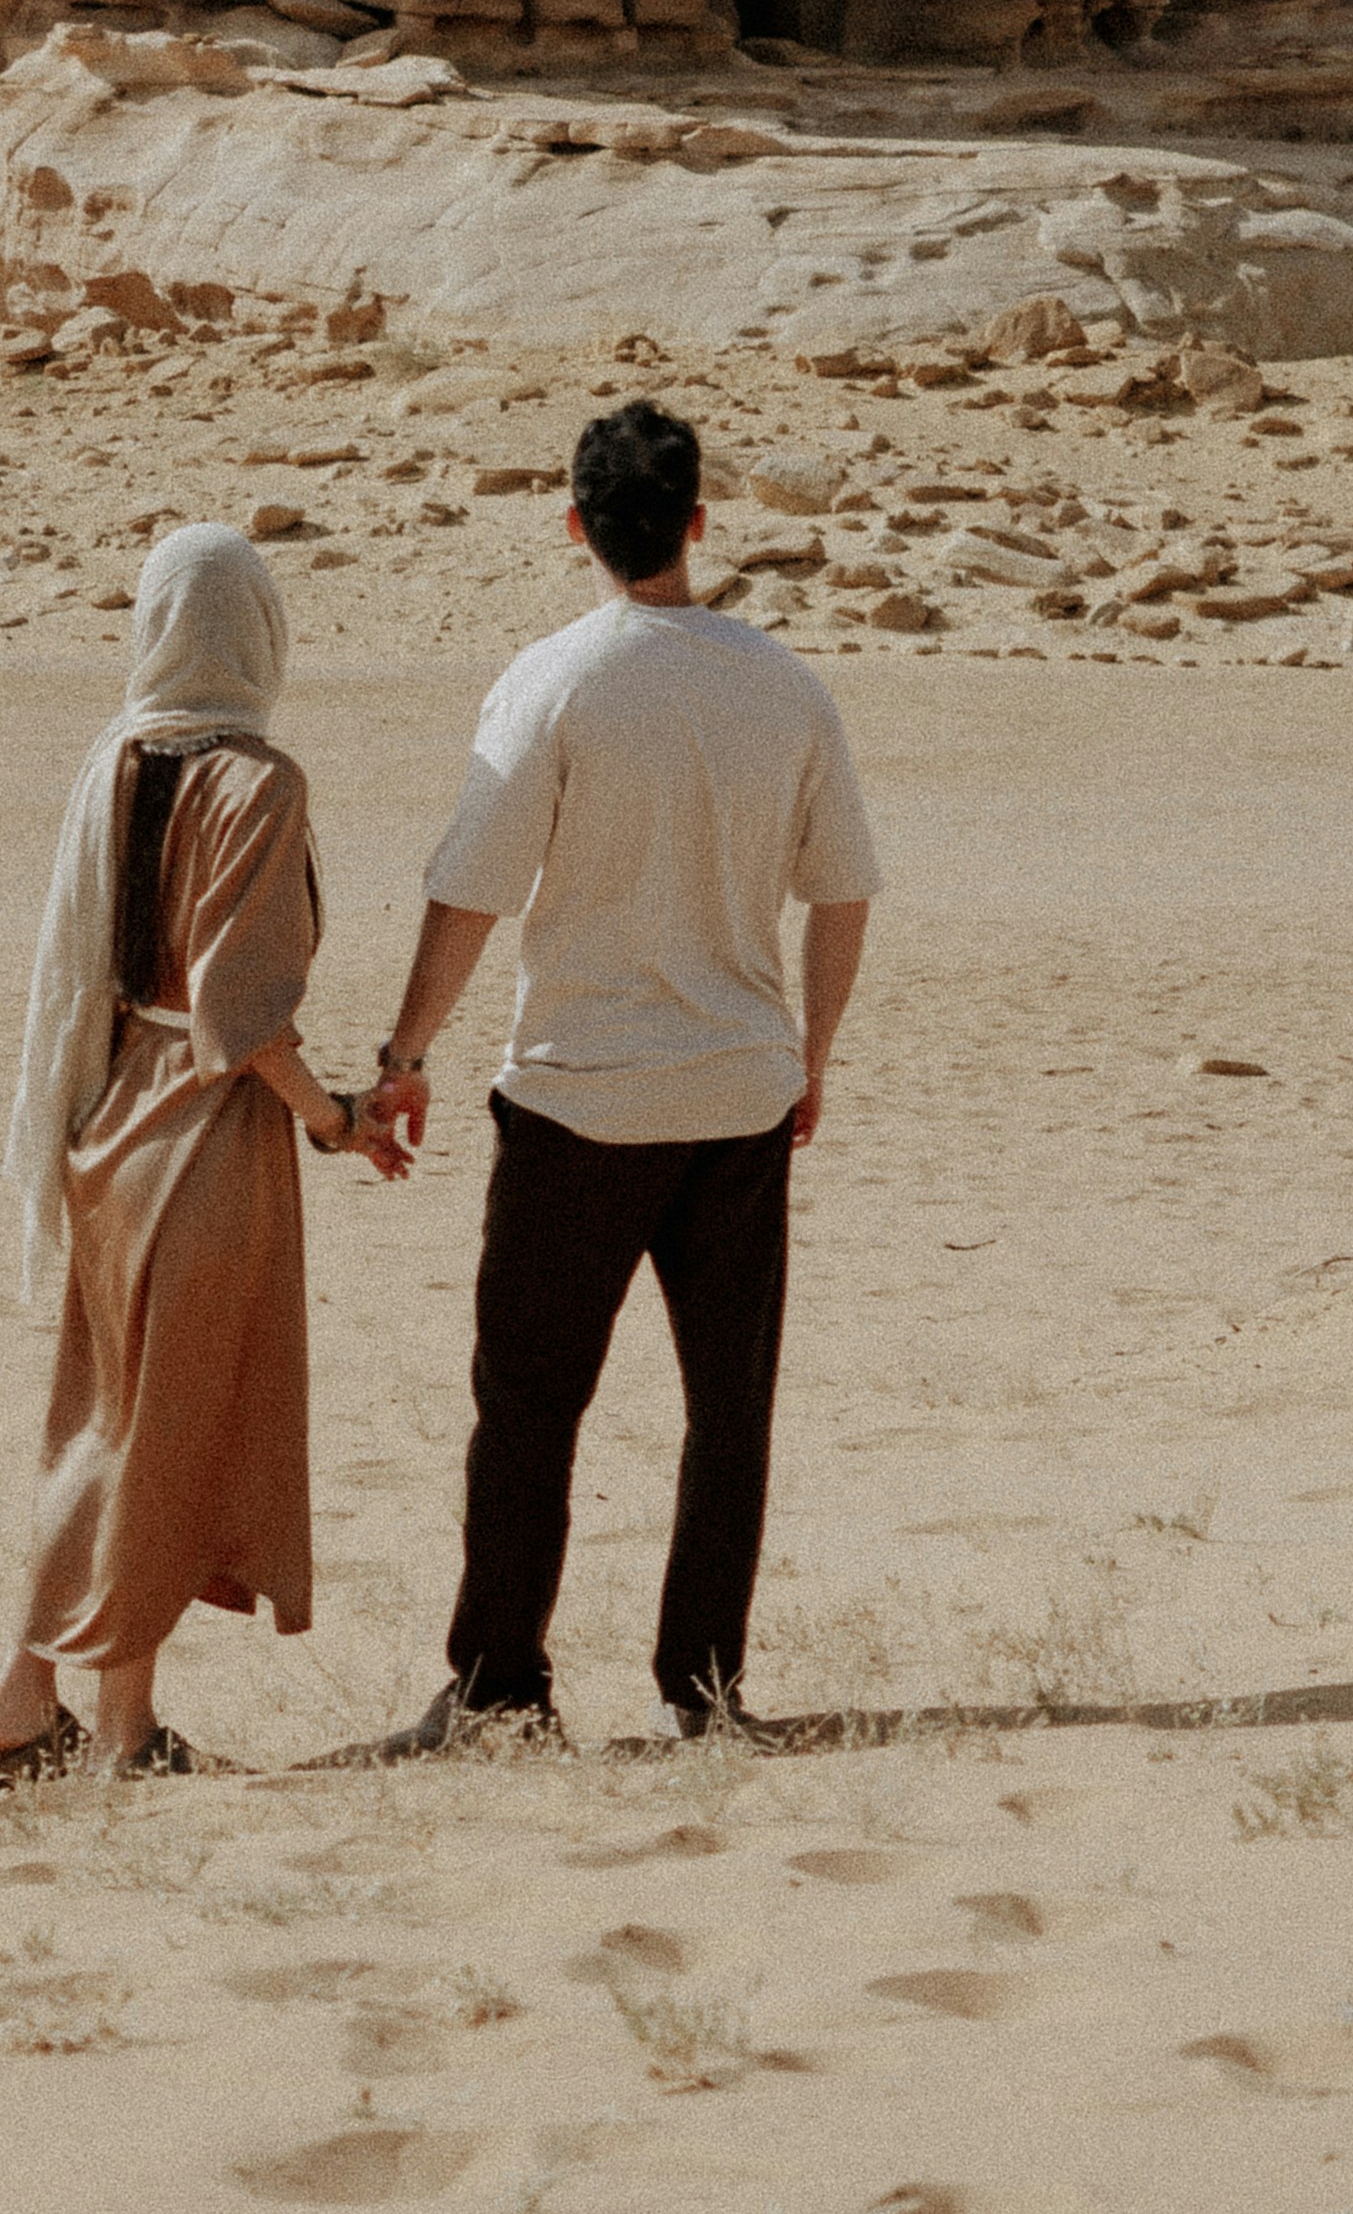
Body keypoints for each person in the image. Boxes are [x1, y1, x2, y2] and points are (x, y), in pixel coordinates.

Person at [362, 398, 879, 1750]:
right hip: (738, 1090)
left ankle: (500, 1686)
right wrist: (809, 1056)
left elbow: (468, 887)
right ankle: (703, 1685)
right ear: (700, 520)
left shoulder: (557, 678)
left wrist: (405, 1052)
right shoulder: (784, 683)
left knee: (529, 1404)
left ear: (577, 524)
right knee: (730, 1407)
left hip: (582, 1097)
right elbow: (843, 894)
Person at [0, 523, 407, 1782]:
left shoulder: (111, 762)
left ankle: (43, 1707)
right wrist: (331, 1115)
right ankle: (98, 1725)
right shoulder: (256, 779)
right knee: (158, 1430)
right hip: (205, 1131)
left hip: (107, 1120)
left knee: (106, 1419)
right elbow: (240, 1010)